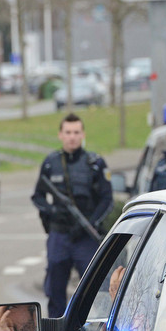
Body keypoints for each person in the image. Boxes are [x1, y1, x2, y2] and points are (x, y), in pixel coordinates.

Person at [32, 113, 114, 318]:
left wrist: (92, 222)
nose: (72, 137)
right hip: (59, 235)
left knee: (96, 289)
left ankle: (96, 330)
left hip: (85, 236)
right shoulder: (51, 163)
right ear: (60, 135)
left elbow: (107, 199)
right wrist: (50, 213)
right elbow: (38, 196)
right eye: (68, 132)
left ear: (83, 134)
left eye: (76, 132)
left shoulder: (95, 164)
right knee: (55, 288)